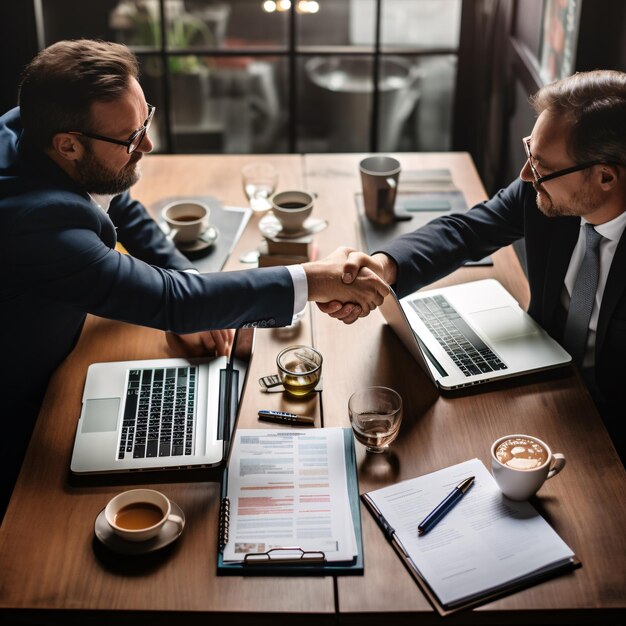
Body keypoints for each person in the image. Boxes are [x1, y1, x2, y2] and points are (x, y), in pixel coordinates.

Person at [0, 39, 389, 519]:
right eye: (130, 138)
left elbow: (118, 204)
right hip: (23, 406)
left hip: (67, 354)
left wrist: (188, 281)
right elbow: (169, 301)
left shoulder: (31, 129)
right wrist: (314, 279)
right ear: (69, 144)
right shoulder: (34, 221)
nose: (147, 145)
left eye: (146, 121)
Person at [322, 70, 626, 463]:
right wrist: (383, 267)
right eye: (529, 152)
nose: (525, 176)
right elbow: (465, 231)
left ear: (605, 177)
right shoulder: (549, 187)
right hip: (538, 379)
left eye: (541, 167)